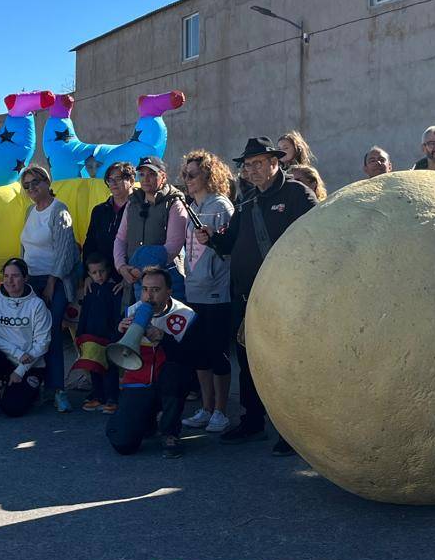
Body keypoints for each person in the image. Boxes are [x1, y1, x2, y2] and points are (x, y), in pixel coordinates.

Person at [196, 136, 318, 452]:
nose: (253, 170)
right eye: (248, 165)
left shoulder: (296, 194)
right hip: (247, 296)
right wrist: (211, 239)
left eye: (259, 163)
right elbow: (230, 244)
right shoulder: (247, 201)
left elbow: (316, 237)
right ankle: (252, 422)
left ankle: (293, 432)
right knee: (249, 360)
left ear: (275, 162)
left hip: (286, 295)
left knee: (285, 363)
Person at [106, 266, 197, 458]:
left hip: (168, 382)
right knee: (123, 444)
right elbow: (114, 357)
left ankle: (170, 431)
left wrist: (164, 339)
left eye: (156, 290)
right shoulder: (131, 311)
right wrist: (119, 333)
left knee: (176, 373)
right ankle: (146, 421)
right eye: (145, 289)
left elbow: (192, 358)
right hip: (139, 381)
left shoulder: (186, 315)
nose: (149, 296)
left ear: (169, 291)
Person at [177, 151, 236, 435]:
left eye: (192, 174)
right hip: (194, 290)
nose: (186, 180)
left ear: (208, 176)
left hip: (216, 292)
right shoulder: (192, 206)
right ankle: (207, 408)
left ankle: (222, 411)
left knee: (217, 353)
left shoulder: (220, 206)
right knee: (199, 354)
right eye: (185, 174)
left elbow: (227, 248)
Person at [19, 165, 79, 409]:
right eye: (27, 185)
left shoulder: (59, 210)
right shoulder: (29, 211)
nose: (32, 189)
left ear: (47, 182)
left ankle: (59, 390)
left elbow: (65, 252)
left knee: (52, 333)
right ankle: (39, 385)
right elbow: (24, 248)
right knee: (33, 335)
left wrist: (52, 282)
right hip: (31, 279)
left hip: (55, 280)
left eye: (36, 183)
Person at [0, 257, 53, 418]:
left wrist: (20, 370)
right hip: (7, 360)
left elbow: (42, 343)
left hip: (31, 365)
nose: (10, 281)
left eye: (15, 276)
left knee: (13, 409)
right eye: (6, 276)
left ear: (25, 278)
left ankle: (31, 390)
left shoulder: (37, 305)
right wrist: (17, 354)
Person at [112, 157, 188, 298]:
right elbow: (120, 239)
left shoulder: (174, 204)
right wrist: (121, 267)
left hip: (166, 279)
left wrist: (140, 268)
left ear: (163, 177)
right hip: (135, 279)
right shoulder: (132, 204)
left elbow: (173, 246)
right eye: (142, 174)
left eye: (152, 174)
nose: (146, 179)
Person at [72, 254, 127, 413]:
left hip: (108, 336)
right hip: (90, 336)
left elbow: (118, 314)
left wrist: (116, 333)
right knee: (93, 366)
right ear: (89, 274)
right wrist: (80, 333)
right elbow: (85, 312)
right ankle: (97, 395)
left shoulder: (114, 290)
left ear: (108, 270)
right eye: (94, 273)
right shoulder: (90, 290)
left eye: (101, 271)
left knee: (109, 368)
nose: (99, 276)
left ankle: (112, 398)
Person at [83, 161, 135, 269]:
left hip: (130, 273)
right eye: (110, 180)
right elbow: (90, 244)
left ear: (131, 180)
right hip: (102, 276)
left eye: (118, 179)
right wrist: (88, 275)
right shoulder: (99, 211)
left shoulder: (141, 209)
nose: (114, 183)